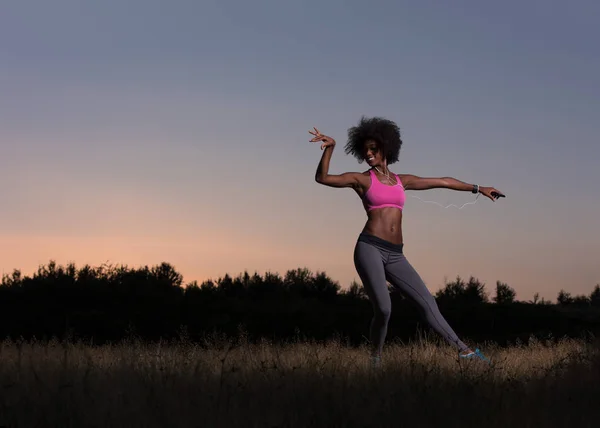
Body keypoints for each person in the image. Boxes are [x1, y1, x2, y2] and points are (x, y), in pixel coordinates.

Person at [310, 116, 504, 367]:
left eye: (374, 149)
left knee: (428, 303)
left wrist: (478, 187)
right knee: (384, 309)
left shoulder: (402, 181)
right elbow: (322, 178)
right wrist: (331, 148)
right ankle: (375, 359)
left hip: (396, 254)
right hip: (369, 247)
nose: (369, 154)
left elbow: (443, 181)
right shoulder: (362, 179)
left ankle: (465, 352)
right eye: (365, 150)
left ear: (385, 149)